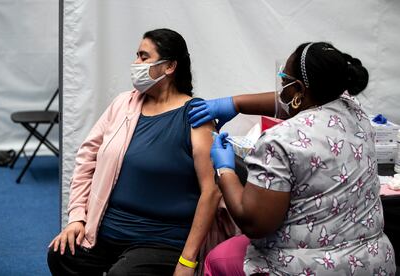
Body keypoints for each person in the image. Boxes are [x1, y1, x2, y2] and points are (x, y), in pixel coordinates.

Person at [189, 42, 396, 275]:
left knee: (218, 259)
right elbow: (288, 102)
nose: (281, 87)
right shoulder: (353, 109)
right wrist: (235, 103)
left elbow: (254, 224)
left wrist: (224, 169)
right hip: (374, 261)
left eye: (283, 79)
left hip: (309, 268)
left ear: (299, 89)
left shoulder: (279, 141)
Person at [47, 28, 221, 276]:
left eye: (143, 56)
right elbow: (87, 159)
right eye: (136, 56)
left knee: (123, 274)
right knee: (61, 255)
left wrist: (188, 261)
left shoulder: (195, 116)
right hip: (107, 231)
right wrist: (77, 218)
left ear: (170, 66)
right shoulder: (123, 104)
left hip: (161, 239)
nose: (135, 64)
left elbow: (211, 192)